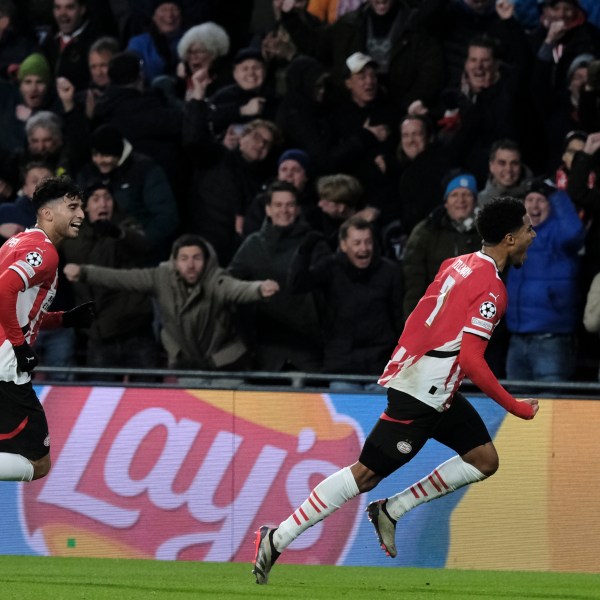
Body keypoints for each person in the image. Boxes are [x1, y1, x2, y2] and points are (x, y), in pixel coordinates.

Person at [252, 195, 539, 585]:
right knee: (366, 474)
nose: (532, 235)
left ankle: (392, 509)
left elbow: (423, 318)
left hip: (434, 385)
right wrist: (515, 407)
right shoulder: (492, 289)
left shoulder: (457, 263)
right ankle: (277, 537)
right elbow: (472, 359)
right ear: (509, 238)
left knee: (484, 459)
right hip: (423, 392)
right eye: (527, 229)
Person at [64, 233, 280, 371]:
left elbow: (239, 289)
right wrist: (85, 272)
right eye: (184, 258)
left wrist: (259, 289)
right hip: (186, 365)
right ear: (175, 261)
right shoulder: (161, 277)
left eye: (197, 258)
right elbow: (121, 278)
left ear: (206, 261)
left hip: (226, 365)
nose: (191, 265)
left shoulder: (216, 278)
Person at [0, 175, 95, 482]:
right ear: (47, 212)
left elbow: (20, 306)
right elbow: (3, 291)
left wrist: (63, 319)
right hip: (6, 367)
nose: (81, 214)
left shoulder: (17, 243)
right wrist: (18, 345)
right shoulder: (46, 252)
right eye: (73, 206)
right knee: (38, 463)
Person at [288, 215, 403, 386]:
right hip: (341, 367)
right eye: (357, 243)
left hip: (381, 367)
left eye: (368, 242)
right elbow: (296, 285)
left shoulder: (390, 271)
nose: (364, 249)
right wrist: (304, 251)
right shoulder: (330, 268)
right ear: (343, 245)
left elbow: (399, 317)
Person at [228, 180, 329, 371]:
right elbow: (230, 284)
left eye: (290, 205)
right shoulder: (253, 245)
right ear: (268, 209)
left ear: (298, 209)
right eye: (278, 205)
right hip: (265, 346)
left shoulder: (313, 243)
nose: (284, 210)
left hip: (308, 345)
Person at [61, 182, 159, 377]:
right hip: (98, 335)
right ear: (85, 206)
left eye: (107, 198)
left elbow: (143, 245)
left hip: (134, 330)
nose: (103, 204)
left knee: (147, 398)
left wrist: (117, 233)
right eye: (96, 199)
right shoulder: (70, 234)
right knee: (101, 401)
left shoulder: (125, 226)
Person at [505, 177, 585, 382]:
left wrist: (557, 195)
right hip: (517, 339)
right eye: (530, 199)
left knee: (553, 407)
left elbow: (575, 231)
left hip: (552, 340)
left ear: (551, 205)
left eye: (541, 200)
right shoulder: (515, 235)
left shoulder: (560, 232)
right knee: (516, 409)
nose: (534, 205)